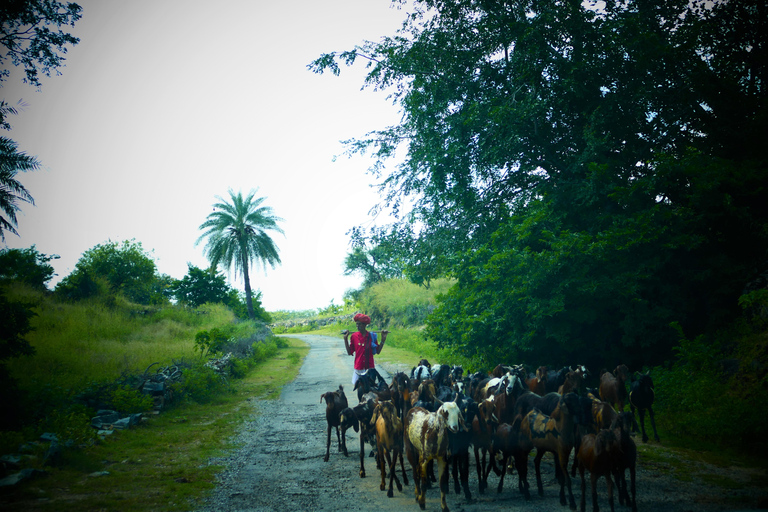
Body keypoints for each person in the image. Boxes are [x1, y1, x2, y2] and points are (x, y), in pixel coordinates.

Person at [343, 313, 388, 386]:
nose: (358, 326)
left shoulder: (372, 336)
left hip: (370, 368)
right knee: (360, 389)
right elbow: (349, 352)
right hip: (359, 368)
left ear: (364, 325)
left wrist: (383, 339)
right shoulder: (354, 336)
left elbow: (378, 351)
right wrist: (345, 340)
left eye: (359, 324)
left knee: (371, 389)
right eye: (357, 324)